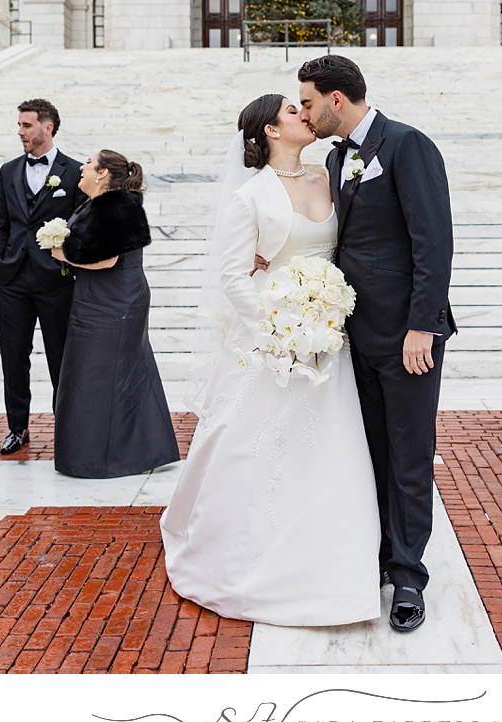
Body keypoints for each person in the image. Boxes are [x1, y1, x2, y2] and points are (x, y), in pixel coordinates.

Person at [161, 95, 381, 626]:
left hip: (330, 339)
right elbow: (234, 276)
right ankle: (242, 558)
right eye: (291, 110)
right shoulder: (250, 195)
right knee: (256, 448)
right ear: (270, 130)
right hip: (273, 342)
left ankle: (337, 563)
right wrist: (276, 329)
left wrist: (320, 320)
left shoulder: (329, 175)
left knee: (333, 449)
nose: (305, 114)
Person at [298, 55, 456, 634]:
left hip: (408, 335)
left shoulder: (408, 146)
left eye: (310, 102)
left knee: (410, 456)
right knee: (372, 454)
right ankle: (380, 555)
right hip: (353, 335)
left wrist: (423, 324)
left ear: (338, 99)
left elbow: (433, 242)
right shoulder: (337, 157)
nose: (306, 114)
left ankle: (410, 574)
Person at [50, 150, 179, 478]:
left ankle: (101, 459)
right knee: (99, 375)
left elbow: (106, 260)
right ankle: (134, 451)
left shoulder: (117, 205)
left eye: (88, 164)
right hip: (100, 298)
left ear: (103, 172)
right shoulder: (103, 202)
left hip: (115, 302)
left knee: (99, 377)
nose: (81, 167)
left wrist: (61, 253)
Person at [0, 98, 87, 455]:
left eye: (26, 125)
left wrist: (68, 264)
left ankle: (68, 427)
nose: (20, 132)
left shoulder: (75, 171)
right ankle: (18, 427)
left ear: (48, 127)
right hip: (12, 278)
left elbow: (80, 225)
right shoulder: (8, 170)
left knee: (61, 358)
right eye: (19, 125)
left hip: (55, 280)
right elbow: (2, 221)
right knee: (13, 356)